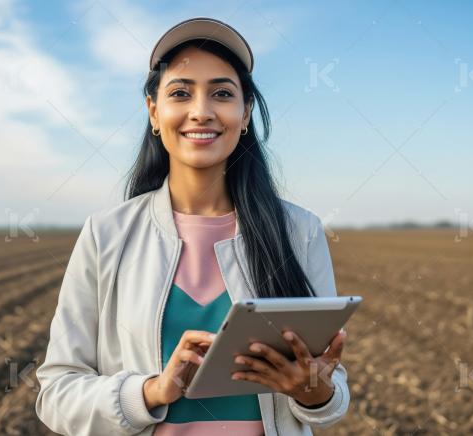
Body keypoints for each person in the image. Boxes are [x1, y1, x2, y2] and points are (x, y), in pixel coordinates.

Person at [35, 17, 350, 435]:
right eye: (180, 93)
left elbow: (330, 395)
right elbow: (56, 394)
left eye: (222, 93)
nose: (201, 112)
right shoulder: (105, 234)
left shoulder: (299, 230)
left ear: (245, 113)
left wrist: (314, 392)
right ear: (154, 111)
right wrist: (152, 390)